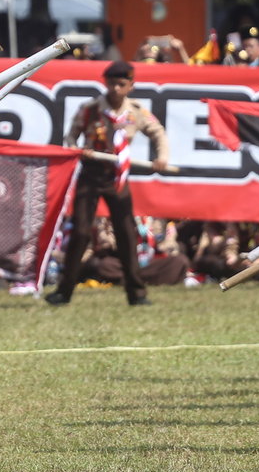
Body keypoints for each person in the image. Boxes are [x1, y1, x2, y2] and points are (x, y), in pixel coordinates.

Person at [46, 60, 170, 306]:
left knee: (126, 233)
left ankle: (137, 293)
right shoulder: (90, 109)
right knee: (80, 231)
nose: (115, 89)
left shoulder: (136, 112)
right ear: (105, 83)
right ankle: (64, 291)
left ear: (131, 86)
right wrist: (77, 150)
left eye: (121, 84)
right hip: (91, 174)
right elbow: (71, 137)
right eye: (112, 83)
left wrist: (161, 158)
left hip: (117, 176)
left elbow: (158, 133)